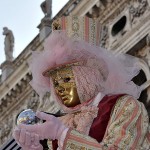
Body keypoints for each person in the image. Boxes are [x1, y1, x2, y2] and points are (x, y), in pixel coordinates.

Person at [13, 16, 150, 150]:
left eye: (66, 79)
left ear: (86, 76)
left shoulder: (125, 106)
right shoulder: (59, 127)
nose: (60, 89)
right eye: (55, 83)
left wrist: (62, 134)